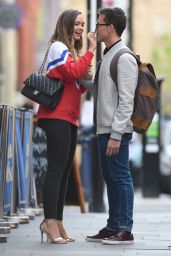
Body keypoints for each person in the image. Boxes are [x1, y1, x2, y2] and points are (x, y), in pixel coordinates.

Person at [37, 9, 96, 244]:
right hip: (56, 116)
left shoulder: (70, 51)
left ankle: (58, 220)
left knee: (64, 172)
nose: (80, 28)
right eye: (77, 23)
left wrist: (85, 74)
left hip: (70, 117)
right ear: (67, 24)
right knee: (56, 170)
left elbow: (75, 83)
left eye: (83, 24)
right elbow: (71, 72)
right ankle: (49, 221)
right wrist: (91, 51)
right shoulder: (58, 47)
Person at [86, 7, 138, 245]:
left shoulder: (124, 57)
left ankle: (125, 229)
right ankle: (113, 225)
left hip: (115, 131)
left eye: (99, 24)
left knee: (120, 177)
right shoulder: (107, 55)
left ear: (111, 28)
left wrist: (117, 134)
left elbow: (127, 100)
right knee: (111, 177)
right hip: (104, 129)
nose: (95, 28)